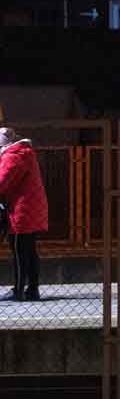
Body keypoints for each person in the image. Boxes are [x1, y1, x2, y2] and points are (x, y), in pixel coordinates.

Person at [0, 127, 49, 302]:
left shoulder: (13, 156)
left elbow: (2, 182)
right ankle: (32, 289)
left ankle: (18, 290)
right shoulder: (24, 153)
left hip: (21, 211)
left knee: (19, 251)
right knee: (29, 251)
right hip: (31, 209)